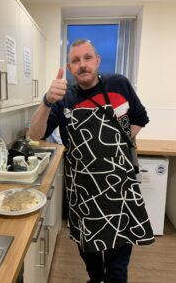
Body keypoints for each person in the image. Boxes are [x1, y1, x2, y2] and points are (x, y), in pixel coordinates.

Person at [29, 39, 155, 283]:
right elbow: (35, 135)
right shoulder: (64, 99)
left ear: (97, 60)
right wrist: (46, 101)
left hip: (120, 192)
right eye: (75, 60)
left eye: (87, 58)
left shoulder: (119, 84)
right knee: (91, 260)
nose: (82, 65)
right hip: (83, 195)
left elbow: (141, 117)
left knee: (117, 269)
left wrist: (120, 143)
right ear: (69, 67)